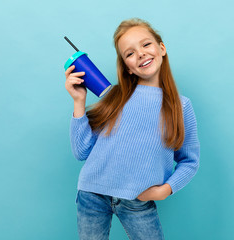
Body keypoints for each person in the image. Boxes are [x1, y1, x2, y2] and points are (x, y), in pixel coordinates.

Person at [64, 17, 200, 240]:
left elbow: (190, 161)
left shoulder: (180, 106)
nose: (140, 54)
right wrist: (79, 102)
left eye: (146, 44)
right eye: (129, 53)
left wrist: (165, 190)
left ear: (161, 48)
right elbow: (81, 152)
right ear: (126, 67)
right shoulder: (113, 96)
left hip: (138, 200)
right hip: (92, 195)